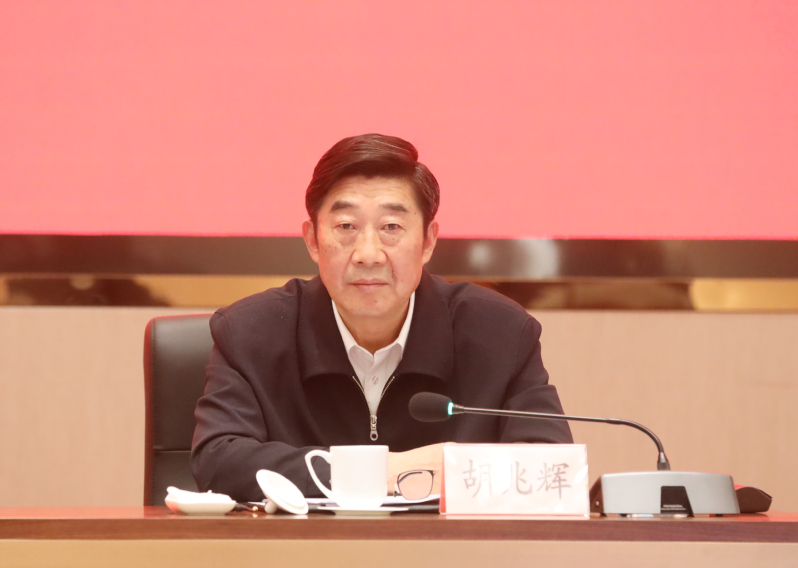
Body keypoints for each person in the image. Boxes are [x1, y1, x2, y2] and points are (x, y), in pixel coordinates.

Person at [190, 134, 573, 501]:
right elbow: (218, 460)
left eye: (391, 227)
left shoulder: (500, 333)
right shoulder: (250, 333)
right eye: (346, 227)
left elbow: (548, 464)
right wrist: (387, 472)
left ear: (428, 241)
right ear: (312, 240)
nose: (368, 254)